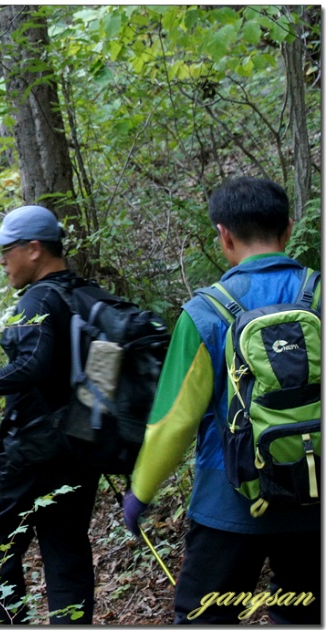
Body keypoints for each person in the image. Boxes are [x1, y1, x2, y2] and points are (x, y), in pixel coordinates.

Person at [122, 177, 321, 624]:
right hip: (317, 499)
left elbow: (174, 422)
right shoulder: (321, 295)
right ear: (288, 229)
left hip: (227, 503)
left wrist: (140, 494)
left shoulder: (205, 313)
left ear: (224, 235)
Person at [0, 205, 100, 624]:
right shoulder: (86, 295)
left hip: (31, 451)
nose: (1, 259)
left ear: (34, 249)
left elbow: (32, 365)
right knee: (67, 546)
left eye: (7, 249)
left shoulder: (37, 300)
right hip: (81, 447)